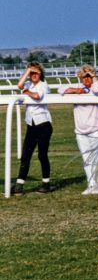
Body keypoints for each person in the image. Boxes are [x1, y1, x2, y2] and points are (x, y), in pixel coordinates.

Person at [58, 65, 98, 195]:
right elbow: (60, 89)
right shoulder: (78, 88)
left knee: (97, 159)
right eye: (84, 76)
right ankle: (91, 185)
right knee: (87, 160)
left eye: (89, 76)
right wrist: (75, 90)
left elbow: (97, 90)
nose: (87, 79)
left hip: (96, 129)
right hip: (80, 131)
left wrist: (94, 76)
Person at [11, 62, 53, 195]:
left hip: (43, 125)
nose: (34, 75)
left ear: (41, 74)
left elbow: (37, 96)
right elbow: (19, 85)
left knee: (42, 155)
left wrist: (26, 91)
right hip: (31, 125)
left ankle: (46, 183)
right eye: (32, 73)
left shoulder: (44, 85)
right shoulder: (28, 84)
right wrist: (28, 71)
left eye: (36, 72)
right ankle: (19, 185)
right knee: (25, 156)